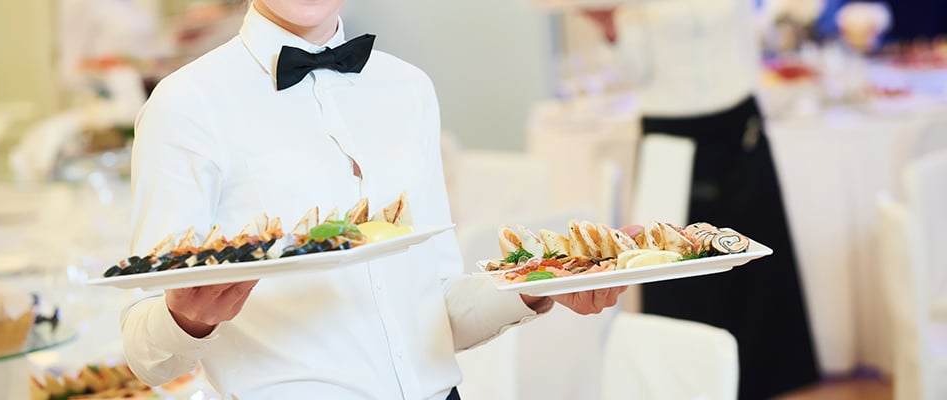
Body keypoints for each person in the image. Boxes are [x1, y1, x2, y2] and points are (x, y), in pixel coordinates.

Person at [120, 0, 627, 398]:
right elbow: (147, 355)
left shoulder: (409, 89)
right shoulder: (186, 105)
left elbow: (439, 308)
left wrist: (543, 283)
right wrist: (187, 317)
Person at [584, 1, 820, 399]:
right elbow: (634, 71)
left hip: (738, 123)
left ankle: (767, 381)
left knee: (754, 257)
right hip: (669, 128)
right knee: (671, 265)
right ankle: (681, 382)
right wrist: (610, 30)